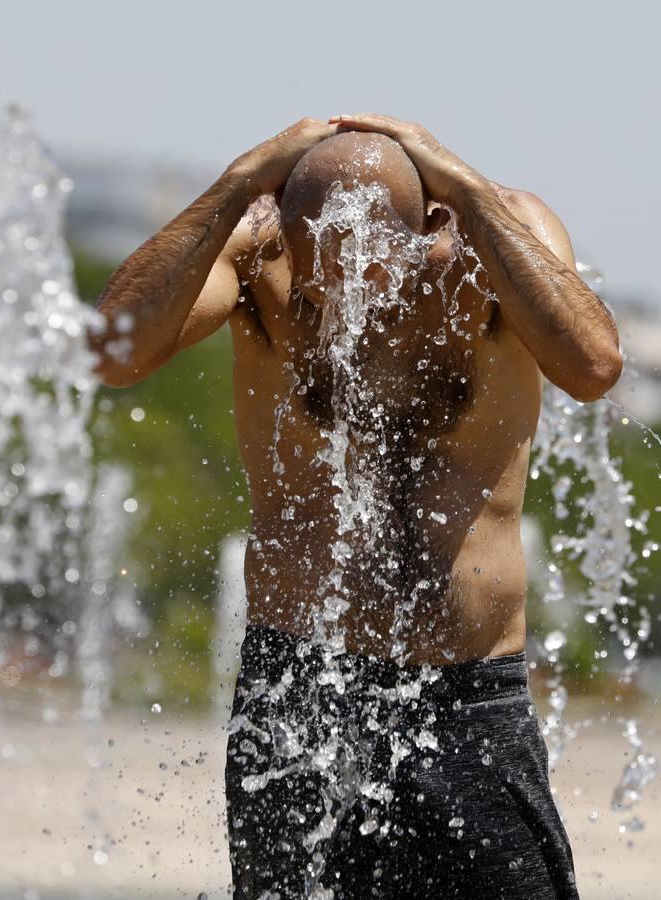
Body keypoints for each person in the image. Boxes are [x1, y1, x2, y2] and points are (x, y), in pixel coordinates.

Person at [90, 114, 622, 899]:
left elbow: (592, 365)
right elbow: (112, 353)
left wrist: (469, 190)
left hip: (469, 699)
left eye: (374, 265)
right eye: (320, 269)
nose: (345, 294)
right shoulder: (256, 250)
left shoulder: (494, 239)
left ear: (429, 227)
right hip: (298, 693)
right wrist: (236, 184)